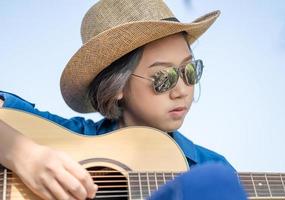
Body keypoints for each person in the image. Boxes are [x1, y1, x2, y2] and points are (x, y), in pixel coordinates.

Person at [0, 0, 247, 199]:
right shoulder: (67, 137)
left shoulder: (208, 165)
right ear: (119, 86)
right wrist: (25, 156)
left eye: (190, 71)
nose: (182, 90)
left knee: (214, 180)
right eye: (163, 78)